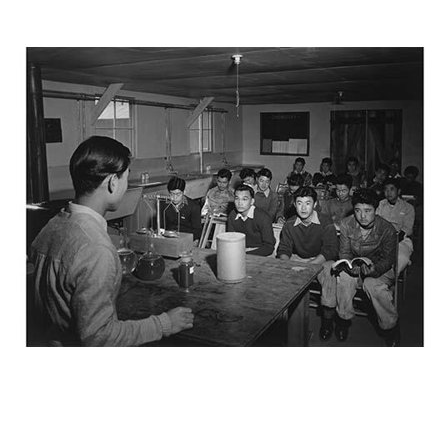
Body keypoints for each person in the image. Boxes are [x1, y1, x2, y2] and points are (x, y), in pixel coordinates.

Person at [30, 136, 194, 346]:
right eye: (126, 177)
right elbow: (98, 338)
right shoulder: (95, 247)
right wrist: (164, 324)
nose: (126, 185)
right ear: (112, 182)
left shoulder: (51, 226)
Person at [335, 188, 399, 346]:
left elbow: (388, 260)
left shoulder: (387, 229)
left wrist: (374, 270)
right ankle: (343, 319)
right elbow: (344, 253)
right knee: (343, 279)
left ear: (376, 210)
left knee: (372, 285)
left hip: (380, 269)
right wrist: (350, 267)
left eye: (368, 210)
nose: (362, 216)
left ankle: (390, 327)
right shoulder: (346, 224)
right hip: (356, 267)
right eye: (358, 210)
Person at [276, 187, 339, 341]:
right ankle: (283, 319)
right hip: (298, 257)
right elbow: (284, 249)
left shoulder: (325, 221)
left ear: (315, 204)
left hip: (322, 258)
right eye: (299, 203)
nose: (303, 208)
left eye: (308, 203)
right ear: (294, 205)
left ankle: (327, 319)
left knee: (330, 273)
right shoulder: (290, 224)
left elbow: (330, 250)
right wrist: (286, 266)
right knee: (279, 272)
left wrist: (311, 265)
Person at [376, 178, 415, 274]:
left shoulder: (408, 207)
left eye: (392, 189)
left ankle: (392, 279)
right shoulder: (380, 204)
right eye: (386, 189)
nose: (388, 192)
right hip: (381, 238)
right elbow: (376, 222)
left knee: (401, 258)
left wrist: (392, 241)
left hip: (400, 240)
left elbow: (407, 229)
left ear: (399, 191)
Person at [227, 184, 275, 256]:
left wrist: (245, 254)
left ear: (252, 201)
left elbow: (269, 247)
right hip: (240, 251)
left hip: (261, 252)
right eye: (237, 198)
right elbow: (230, 241)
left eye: (244, 199)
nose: (240, 203)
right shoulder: (232, 215)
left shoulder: (263, 217)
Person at [162, 176, 202, 245]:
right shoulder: (165, 206)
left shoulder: (193, 207)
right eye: (172, 194)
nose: (174, 197)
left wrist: (189, 241)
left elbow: (197, 231)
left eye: (178, 194)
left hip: (188, 240)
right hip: (170, 239)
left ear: (184, 192)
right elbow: (162, 227)